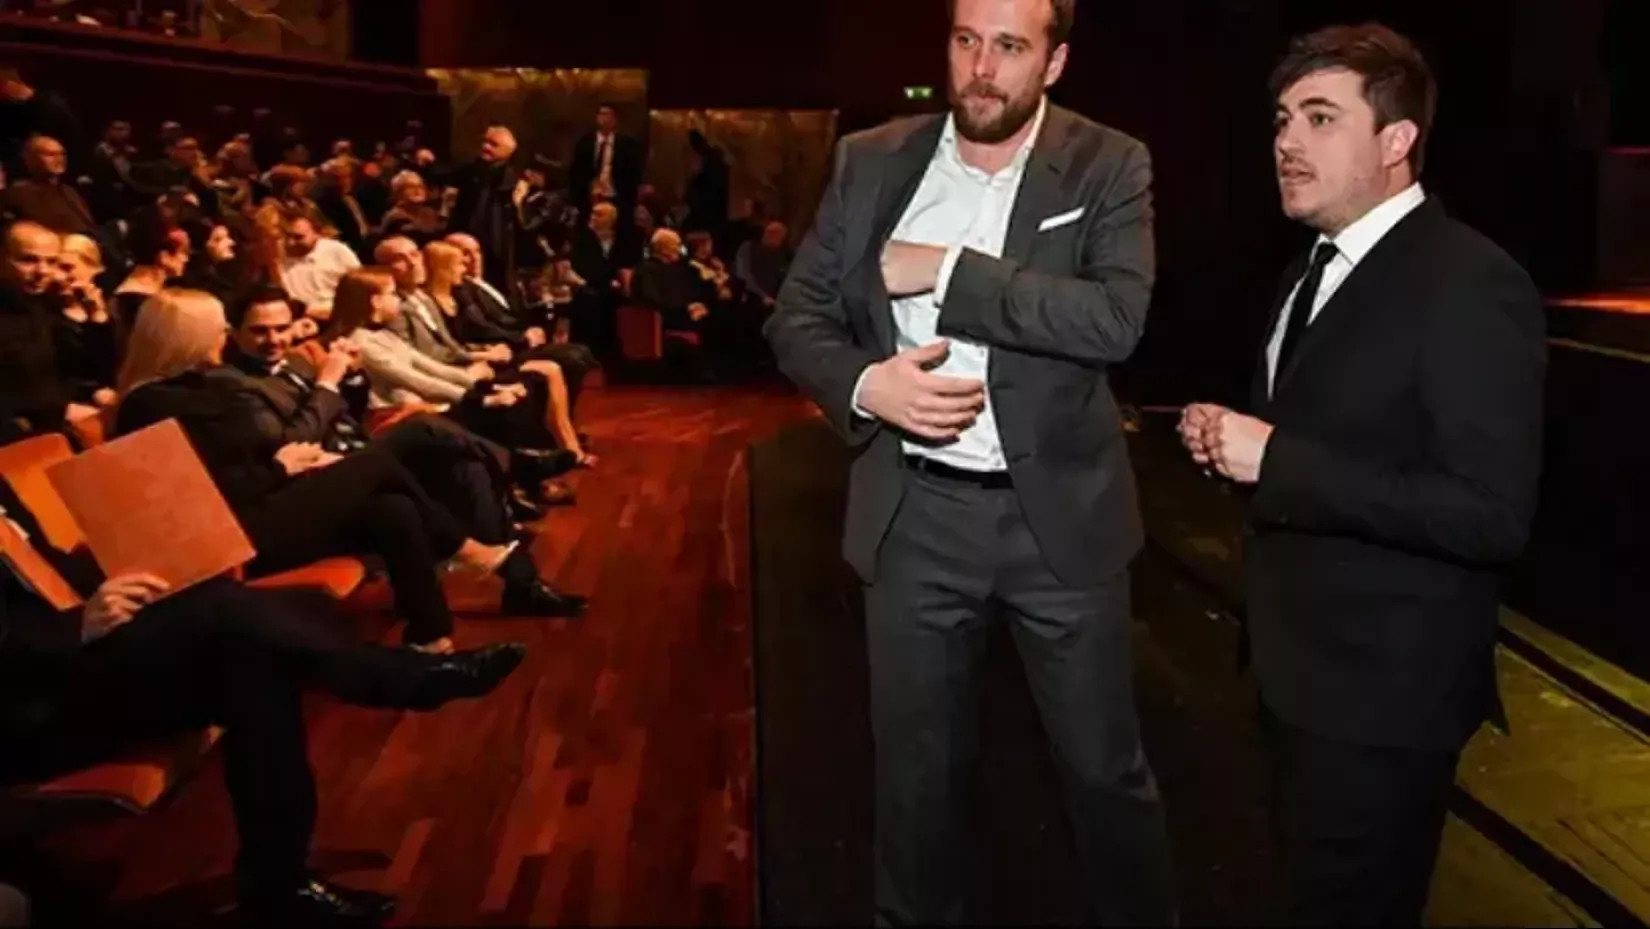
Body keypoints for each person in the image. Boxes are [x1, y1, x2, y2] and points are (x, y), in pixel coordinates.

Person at [763, 0, 1174, 923]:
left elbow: (1113, 319)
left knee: (1104, 775)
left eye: (1010, 46)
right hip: (916, 519)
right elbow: (797, 316)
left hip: (1059, 520)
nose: (982, 67)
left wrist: (948, 271)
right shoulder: (871, 160)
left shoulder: (1109, 163)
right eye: (966, 40)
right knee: (914, 783)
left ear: (1054, 62)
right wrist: (868, 385)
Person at [1177, 24, 1546, 925]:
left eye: (1320, 117)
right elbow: (1325, 444)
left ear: (1396, 140)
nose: (1287, 141)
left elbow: (1490, 513)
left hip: (1384, 706)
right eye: (1281, 119)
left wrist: (1276, 458)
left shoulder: (1469, 281)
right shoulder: (1311, 269)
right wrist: (1232, 449)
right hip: (1297, 683)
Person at [0, 479, 528, 926]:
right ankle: (401, 678)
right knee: (225, 612)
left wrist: (115, 590)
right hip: (25, 714)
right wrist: (79, 627)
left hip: (71, 671)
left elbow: (49, 582)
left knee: (255, 666)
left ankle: (280, 885)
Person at [113, 290, 587, 654]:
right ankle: (473, 549)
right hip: (234, 535)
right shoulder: (155, 402)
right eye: (218, 328)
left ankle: (431, 637)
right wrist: (281, 465)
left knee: (392, 508)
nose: (223, 335)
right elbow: (206, 494)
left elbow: (242, 461)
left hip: (263, 502)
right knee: (380, 464)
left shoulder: (195, 388)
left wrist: (289, 461)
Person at [220, 286, 552, 538]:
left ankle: (502, 545)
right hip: (321, 474)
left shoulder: (292, 361)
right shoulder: (235, 382)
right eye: (260, 331)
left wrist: (351, 377)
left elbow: (347, 410)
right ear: (234, 332)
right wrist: (328, 382)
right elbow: (293, 440)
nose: (273, 339)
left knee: (460, 460)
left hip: (356, 446)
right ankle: (518, 466)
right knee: (424, 426)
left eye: (281, 328)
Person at [0, 221, 96, 444]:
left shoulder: (47, 304)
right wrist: (60, 410)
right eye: (28, 260)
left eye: (51, 261)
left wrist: (96, 319)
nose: (42, 271)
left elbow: (69, 370)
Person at [417, 125, 520, 292]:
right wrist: (428, 163)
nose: (485, 147)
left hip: (496, 244)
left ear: (508, 150)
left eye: (493, 144)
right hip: (464, 236)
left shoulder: (513, 178)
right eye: (484, 142)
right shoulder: (472, 168)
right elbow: (444, 175)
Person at [0, 134, 95, 235]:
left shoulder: (69, 190)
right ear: (31, 158)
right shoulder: (19, 193)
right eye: (50, 154)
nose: (59, 159)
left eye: (62, 154)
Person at [569, 103, 643, 221]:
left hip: (616, 196)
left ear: (615, 119)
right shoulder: (585, 143)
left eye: (609, 115)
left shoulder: (627, 144)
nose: (605, 119)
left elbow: (633, 173)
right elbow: (576, 172)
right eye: (602, 114)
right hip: (590, 196)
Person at [279, 214, 360, 319]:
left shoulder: (336, 251)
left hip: (336, 315)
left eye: (298, 237)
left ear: (317, 233)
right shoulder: (277, 256)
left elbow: (359, 287)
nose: (291, 243)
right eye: (287, 236)